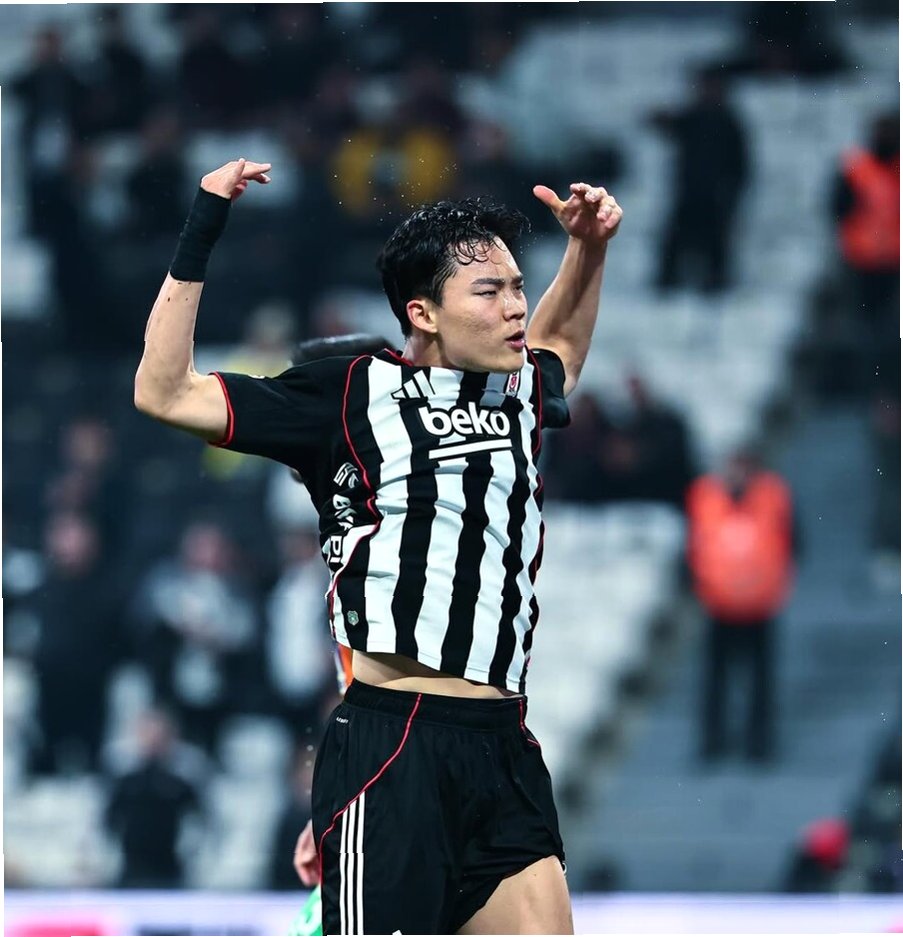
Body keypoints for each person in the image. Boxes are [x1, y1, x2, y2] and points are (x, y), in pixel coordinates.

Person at [135, 157, 622, 934]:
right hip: (394, 742)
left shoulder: (518, 388)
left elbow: (558, 338)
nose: (514, 308)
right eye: (488, 291)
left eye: (517, 287)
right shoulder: (349, 391)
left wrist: (587, 249)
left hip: (503, 745)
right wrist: (203, 225)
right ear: (423, 312)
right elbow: (163, 391)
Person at [686, 449, 798, 764]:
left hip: (759, 605)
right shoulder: (705, 496)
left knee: (760, 679)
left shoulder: (773, 496)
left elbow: (792, 542)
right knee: (716, 678)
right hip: (719, 604)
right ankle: (713, 741)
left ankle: (758, 741)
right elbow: (694, 543)